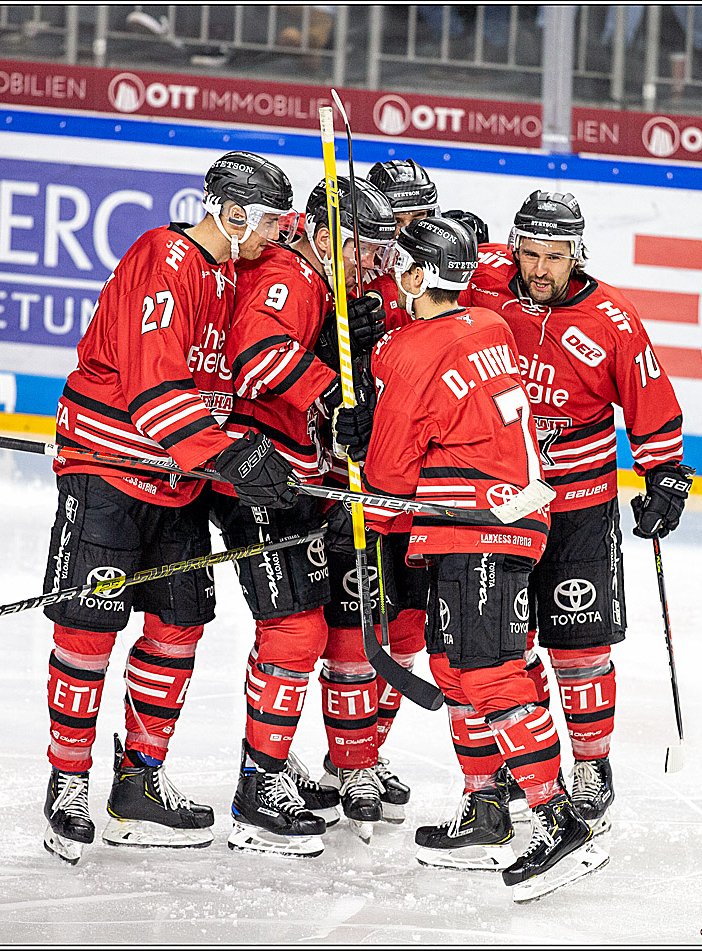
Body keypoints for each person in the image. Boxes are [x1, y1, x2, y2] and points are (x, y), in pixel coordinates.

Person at [336, 216, 609, 901]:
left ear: (420, 274)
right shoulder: (488, 326)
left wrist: (359, 444)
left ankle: (554, 819)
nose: (394, 273)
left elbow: (392, 480)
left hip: (476, 529)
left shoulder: (411, 351)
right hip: (507, 521)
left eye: (401, 263)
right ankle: (486, 808)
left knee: (488, 674)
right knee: (454, 667)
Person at [40, 151, 302, 864]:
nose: (278, 234)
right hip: (111, 474)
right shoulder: (165, 257)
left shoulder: (230, 273)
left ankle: (139, 782)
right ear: (233, 211)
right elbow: (156, 394)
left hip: (178, 482)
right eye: (269, 220)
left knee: (178, 626)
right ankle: (67, 783)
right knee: (88, 635)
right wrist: (232, 456)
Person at [457, 190, 693, 836]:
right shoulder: (484, 280)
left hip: (579, 508)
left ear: (577, 254)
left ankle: (591, 764)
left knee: (579, 648)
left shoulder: (612, 318)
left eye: (554, 256)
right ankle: (527, 758)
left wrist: (665, 475)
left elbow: (649, 397)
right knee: (507, 645)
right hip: (501, 504)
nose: (539, 268)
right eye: (529, 252)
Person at [214, 175, 395, 856]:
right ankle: (256, 790)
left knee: (296, 629)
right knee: (293, 631)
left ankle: (269, 759)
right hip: (257, 478)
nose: (373, 267)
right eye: (364, 249)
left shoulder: (323, 283)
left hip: (292, 478)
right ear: (325, 236)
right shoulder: (290, 275)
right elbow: (255, 360)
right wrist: (330, 390)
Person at [312, 159, 441, 838]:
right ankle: (350, 759)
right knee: (350, 631)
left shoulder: (436, 280)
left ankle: (365, 750)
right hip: (352, 482)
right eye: (398, 219)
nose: (408, 234)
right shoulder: (333, 279)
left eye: (421, 219)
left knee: (408, 629)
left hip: (421, 488)